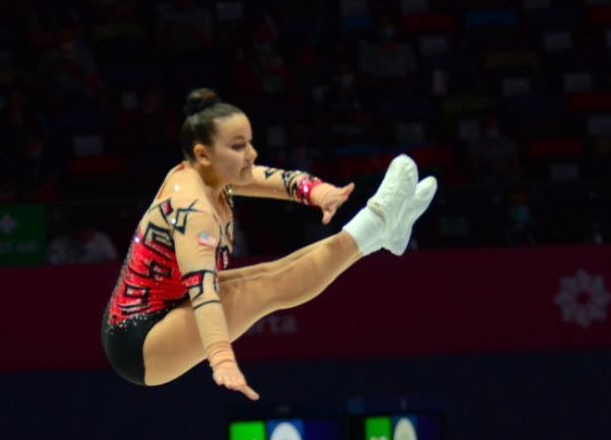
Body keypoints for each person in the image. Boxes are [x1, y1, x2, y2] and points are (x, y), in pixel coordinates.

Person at [101, 89, 437, 399]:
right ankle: (377, 222)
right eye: (238, 147)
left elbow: (274, 180)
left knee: (268, 272)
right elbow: (203, 293)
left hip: (167, 304)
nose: (250, 154)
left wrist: (317, 191)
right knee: (266, 288)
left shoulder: (213, 172)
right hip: (140, 344)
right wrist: (221, 359)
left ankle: (382, 231)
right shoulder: (193, 211)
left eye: (247, 143)